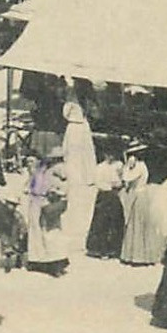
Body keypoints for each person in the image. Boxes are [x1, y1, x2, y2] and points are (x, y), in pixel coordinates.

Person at [118, 145, 160, 266]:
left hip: (139, 196)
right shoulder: (139, 166)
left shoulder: (140, 167)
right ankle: (135, 255)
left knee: (138, 224)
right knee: (135, 224)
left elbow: (127, 178)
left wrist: (126, 168)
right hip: (138, 195)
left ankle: (139, 256)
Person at [60, 99, 98, 233]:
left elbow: (66, 147)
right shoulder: (83, 125)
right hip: (81, 155)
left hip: (73, 156)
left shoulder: (71, 127)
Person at [84, 153, 126, 259]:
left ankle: (115, 249)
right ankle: (99, 249)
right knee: (101, 222)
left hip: (114, 195)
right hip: (104, 195)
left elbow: (122, 180)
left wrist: (119, 182)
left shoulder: (119, 165)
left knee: (116, 221)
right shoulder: (100, 167)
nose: (110, 157)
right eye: (108, 155)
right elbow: (98, 182)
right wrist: (110, 186)